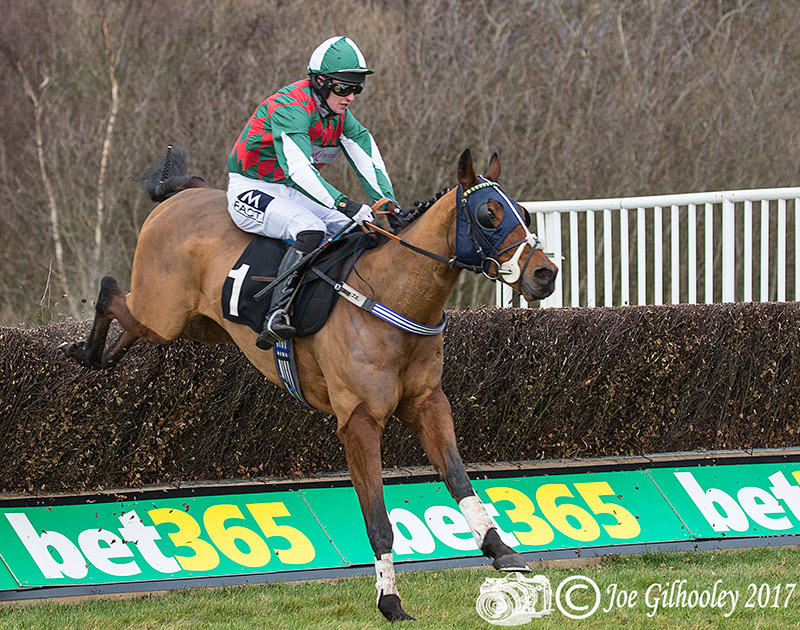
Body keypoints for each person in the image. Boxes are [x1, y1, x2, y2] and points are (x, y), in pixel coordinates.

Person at [226, 36, 397, 350]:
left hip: (291, 190)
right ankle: (275, 315)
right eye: (343, 88)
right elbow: (299, 169)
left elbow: (364, 149)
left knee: (358, 227)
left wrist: (385, 200)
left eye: (356, 88)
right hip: (251, 187)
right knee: (310, 228)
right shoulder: (290, 107)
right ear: (320, 81)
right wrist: (345, 203)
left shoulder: (336, 113)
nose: (350, 97)